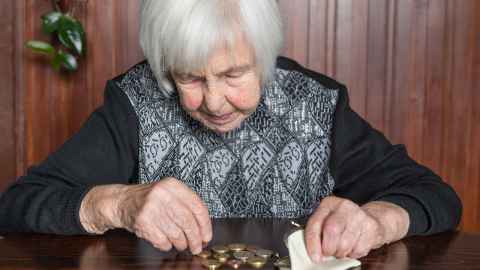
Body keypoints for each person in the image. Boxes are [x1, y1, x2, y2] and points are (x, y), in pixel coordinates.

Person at [0, 0, 461, 262]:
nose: (215, 102)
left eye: (235, 74)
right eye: (190, 78)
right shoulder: (132, 103)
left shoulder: (316, 104)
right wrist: (117, 203)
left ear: (265, 58)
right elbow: (17, 206)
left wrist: (377, 219)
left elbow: (434, 195)